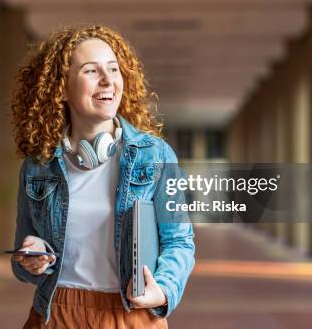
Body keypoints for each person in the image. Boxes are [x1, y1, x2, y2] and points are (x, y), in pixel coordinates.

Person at [10, 25, 195, 328]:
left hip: (130, 315)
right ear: (62, 88)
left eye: (113, 69)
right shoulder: (38, 166)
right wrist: (32, 258)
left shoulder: (157, 155)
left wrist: (162, 290)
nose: (108, 81)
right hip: (57, 313)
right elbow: (21, 261)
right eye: (91, 71)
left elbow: (180, 242)